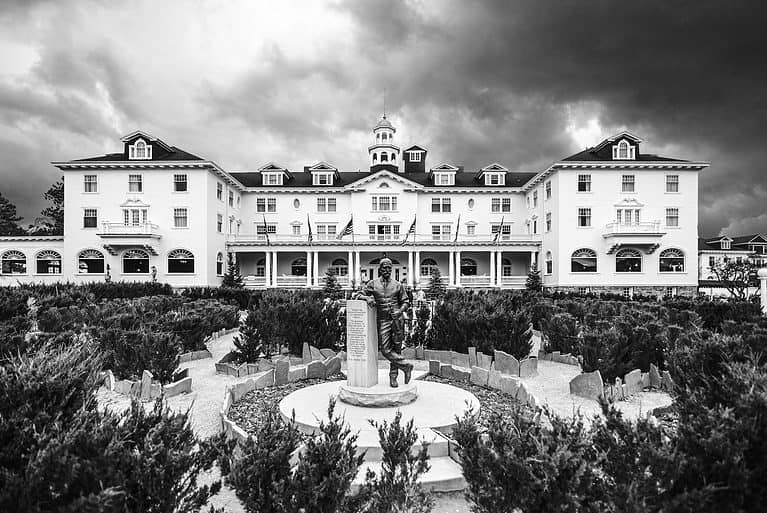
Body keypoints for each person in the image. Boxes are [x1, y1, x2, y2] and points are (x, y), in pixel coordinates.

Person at [356, 257, 414, 388]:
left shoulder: (398, 285)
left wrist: (400, 311)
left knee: (397, 349)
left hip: (397, 320)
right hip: (383, 320)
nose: (387, 270)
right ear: (380, 269)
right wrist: (367, 298)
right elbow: (358, 294)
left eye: (389, 268)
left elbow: (406, 302)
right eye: (384, 268)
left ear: (391, 269)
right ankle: (406, 366)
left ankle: (393, 378)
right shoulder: (373, 283)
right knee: (385, 349)